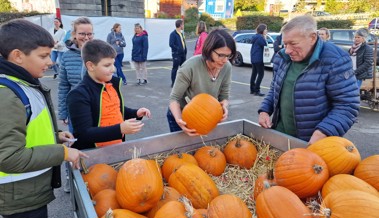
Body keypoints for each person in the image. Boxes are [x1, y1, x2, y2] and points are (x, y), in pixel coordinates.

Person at [0, 19, 87, 218]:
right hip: (19, 200)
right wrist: (61, 152)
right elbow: (8, 157)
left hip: (27, 193)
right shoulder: (7, 95)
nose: (51, 61)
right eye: (44, 56)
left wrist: (54, 136)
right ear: (18, 56)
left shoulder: (24, 83)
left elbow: (26, 130)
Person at [258, 15, 360, 145]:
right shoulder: (282, 57)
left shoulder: (335, 60)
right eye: (285, 44)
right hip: (281, 135)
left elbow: (347, 106)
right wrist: (265, 110)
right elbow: (275, 89)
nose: (287, 50)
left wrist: (323, 132)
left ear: (312, 37)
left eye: (293, 44)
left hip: (313, 141)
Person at [66, 39, 151, 150]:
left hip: (116, 146)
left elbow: (115, 109)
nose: (113, 69)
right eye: (107, 65)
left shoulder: (111, 85)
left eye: (113, 64)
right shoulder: (78, 95)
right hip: (94, 154)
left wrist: (135, 113)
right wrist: (120, 129)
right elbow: (84, 133)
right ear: (91, 66)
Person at [167, 29, 236, 136]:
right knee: (184, 150)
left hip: (207, 116)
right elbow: (174, 98)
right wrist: (180, 121)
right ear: (209, 50)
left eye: (228, 56)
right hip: (181, 114)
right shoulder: (190, 66)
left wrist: (224, 106)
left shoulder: (226, 67)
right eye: (221, 55)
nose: (225, 60)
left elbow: (224, 96)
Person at [58, 17, 94, 133]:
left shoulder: (100, 53)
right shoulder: (66, 56)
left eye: (89, 34)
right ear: (74, 34)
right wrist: (63, 112)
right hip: (76, 108)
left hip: (98, 107)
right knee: (78, 142)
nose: (86, 37)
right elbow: (64, 86)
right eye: (82, 34)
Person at [250, 24, 268, 96]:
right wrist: (265, 37)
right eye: (266, 29)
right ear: (262, 30)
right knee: (261, 74)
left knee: (254, 74)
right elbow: (265, 44)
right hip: (259, 59)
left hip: (253, 58)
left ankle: (252, 89)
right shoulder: (260, 37)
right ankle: (257, 90)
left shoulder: (255, 36)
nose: (266, 30)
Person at [169, 19, 187, 87]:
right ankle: (173, 83)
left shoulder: (181, 33)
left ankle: (183, 82)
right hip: (177, 54)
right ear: (180, 25)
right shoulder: (173, 34)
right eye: (183, 24)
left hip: (183, 54)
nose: (183, 26)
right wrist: (178, 49)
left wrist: (184, 50)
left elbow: (183, 43)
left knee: (183, 69)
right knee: (175, 68)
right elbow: (171, 44)